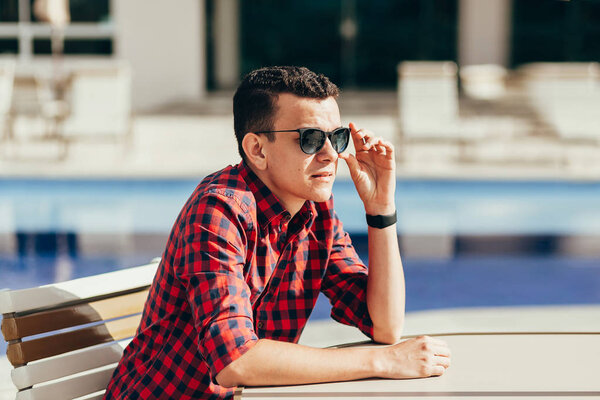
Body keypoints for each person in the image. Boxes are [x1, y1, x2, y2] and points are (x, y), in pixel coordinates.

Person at [104, 66, 450, 400]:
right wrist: (384, 361)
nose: (331, 155)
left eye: (337, 137)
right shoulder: (218, 212)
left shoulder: (317, 213)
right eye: (312, 139)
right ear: (257, 149)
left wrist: (380, 210)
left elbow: (383, 325)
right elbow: (236, 361)